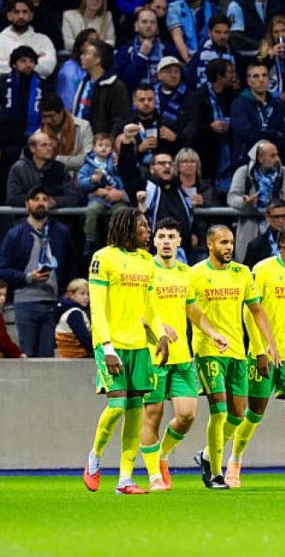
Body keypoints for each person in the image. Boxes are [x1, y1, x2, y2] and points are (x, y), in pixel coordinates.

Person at [225, 223, 285, 489]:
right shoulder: (263, 270)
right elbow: (249, 312)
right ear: (282, 242)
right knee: (255, 412)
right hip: (265, 354)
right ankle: (234, 463)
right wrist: (259, 351)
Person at [83, 208, 172, 495]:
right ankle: (94, 457)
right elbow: (96, 306)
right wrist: (107, 347)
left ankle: (125, 479)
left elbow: (150, 306)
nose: (148, 229)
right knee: (117, 406)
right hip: (111, 344)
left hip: (138, 346)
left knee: (135, 411)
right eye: (142, 225)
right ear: (126, 227)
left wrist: (159, 335)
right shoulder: (103, 258)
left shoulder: (147, 261)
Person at [139, 218, 229, 491]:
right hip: (152, 354)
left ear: (179, 242)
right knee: (152, 413)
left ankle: (162, 455)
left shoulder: (185, 273)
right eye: (162, 236)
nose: (166, 241)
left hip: (181, 355)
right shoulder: (145, 270)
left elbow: (192, 309)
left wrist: (212, 333)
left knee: (187, 414)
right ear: (154, 240)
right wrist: (157, 326)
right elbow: (135, 309)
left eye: (171, 237)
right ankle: (155, 475)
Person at [190, 225, 280, 490]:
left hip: (237, 353)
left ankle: (206, 455)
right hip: (208, 351)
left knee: (237, 415)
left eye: (230, 243)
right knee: (218, 412)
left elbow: (256, 311)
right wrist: (210, 333)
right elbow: (190, 310)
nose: (228, 247)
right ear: (210, 244)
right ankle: (215, 473)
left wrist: (269, 344)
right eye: (223, 242)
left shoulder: (242, 273)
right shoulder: (195, 274)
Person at [0, 186, 73, 357]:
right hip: (25, 301)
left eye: (44, 199)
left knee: (48, 355)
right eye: (36, 199)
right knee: (27, 354)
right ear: (27, 204)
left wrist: (66, 289)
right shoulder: (14, 235)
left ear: (50, 204)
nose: (40, 203)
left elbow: (70, 264)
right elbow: (3, 271)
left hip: (52, 302)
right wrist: (28, 277)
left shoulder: (61, 232)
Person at [78, 132, 129, 251]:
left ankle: (120, 240)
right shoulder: (88, 165)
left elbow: (124, 179)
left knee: (122, 212)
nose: (104, 148)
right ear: (94, 148)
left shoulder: (116, 163)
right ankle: (89, 239)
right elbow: (81, 182)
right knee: (91, 210)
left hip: (116, 197)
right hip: (98, 197)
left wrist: (118, 190)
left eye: (107, 145)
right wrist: (92, 180)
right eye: (100, 145)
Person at [0, 0, 56, 79]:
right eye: (16, 12)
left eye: (25, 12)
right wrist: (34, 59)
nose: (21, 16)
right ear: (9, 16)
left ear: (31, 16)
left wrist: (10, 60)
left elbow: (48, 68)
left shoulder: (43, 40)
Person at [55, 279, 92, 358]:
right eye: (82, 294)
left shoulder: (69, 310)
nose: (86, 297)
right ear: (71, 295)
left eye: (88, 294)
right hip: (75, 355)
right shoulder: (74, 313)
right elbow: (84, 338)